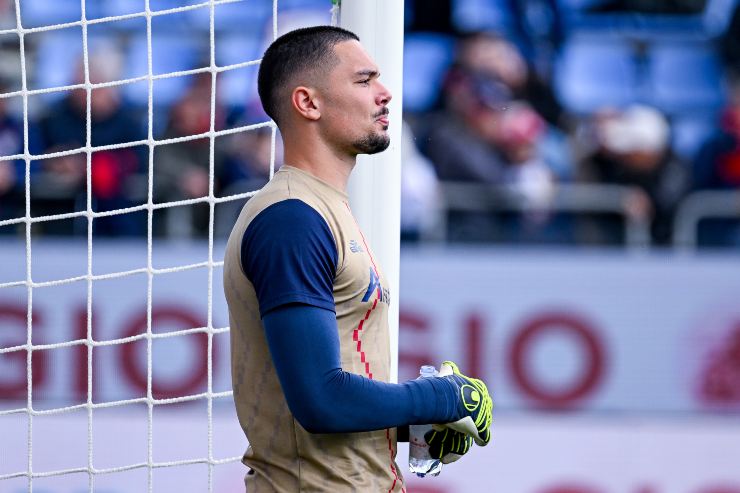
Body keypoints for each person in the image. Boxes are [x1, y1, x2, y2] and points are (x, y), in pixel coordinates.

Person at [222, 26, 493, 492]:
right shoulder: (292, 218)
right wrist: (440, 398)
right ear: (308, 103)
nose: (385, 93)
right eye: (364, 80)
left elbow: (323, 399)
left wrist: (418, 423)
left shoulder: (318, 207)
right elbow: (320, 400)